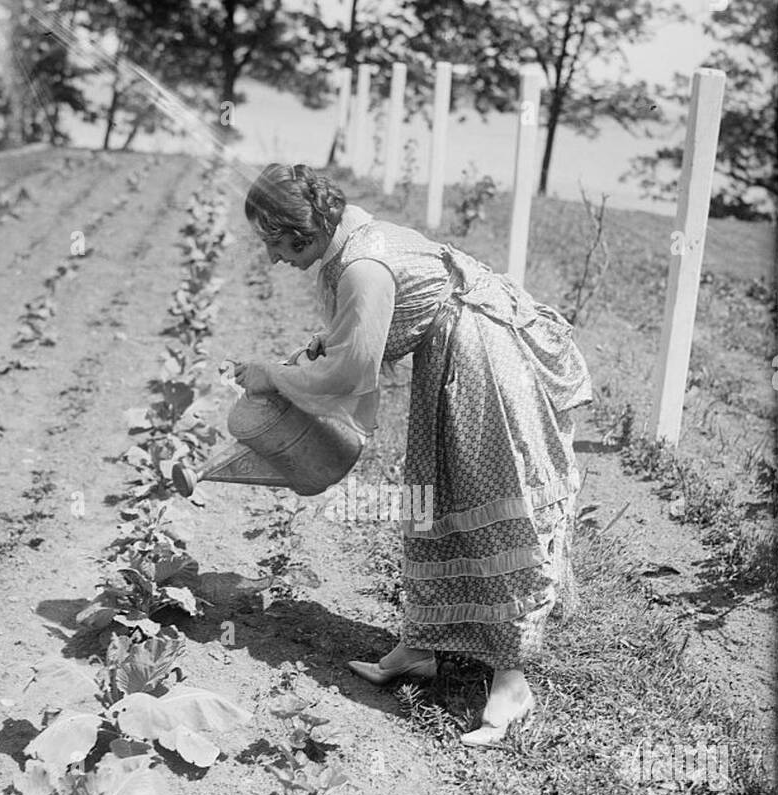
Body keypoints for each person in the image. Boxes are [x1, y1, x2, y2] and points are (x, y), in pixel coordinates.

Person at [235, 162, 592, 747]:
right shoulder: (355, 244)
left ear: (302, 229)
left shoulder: (363, 266)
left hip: (482, 366)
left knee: (493, 507)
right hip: (453, 363)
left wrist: (272, 376)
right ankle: (421, 649)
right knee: (434, 499)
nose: (274, 258)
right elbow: (355, 343)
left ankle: (512, 680)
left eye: (275, 242)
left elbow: (351, 369)